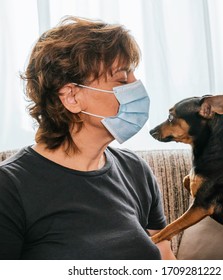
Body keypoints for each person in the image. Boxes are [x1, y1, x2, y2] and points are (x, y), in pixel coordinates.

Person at [0, 16, 175, 260]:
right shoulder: (9, 187)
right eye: (122, 80)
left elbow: (165, 257)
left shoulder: (136, 171)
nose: (137, 88)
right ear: (71, 96)